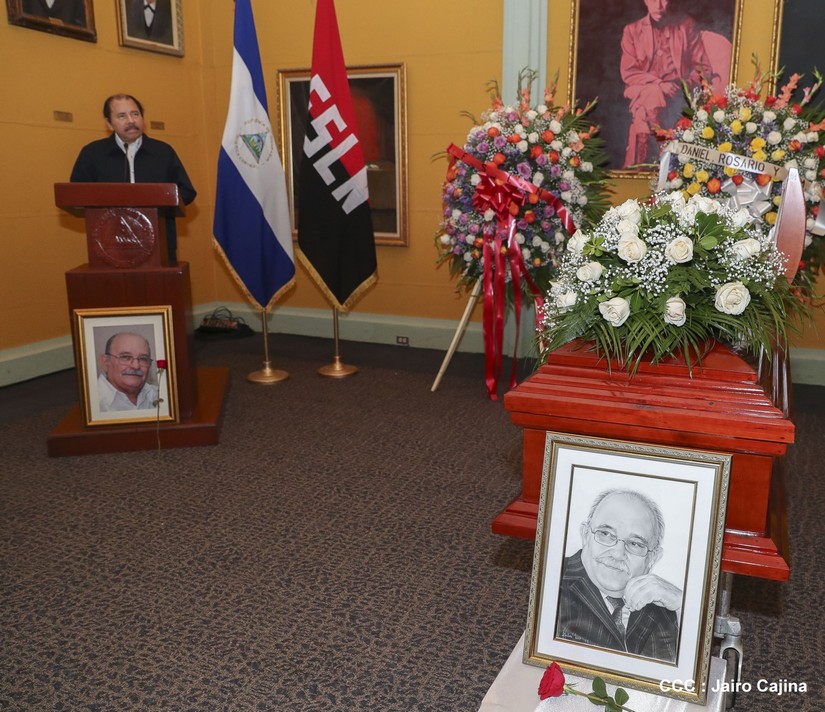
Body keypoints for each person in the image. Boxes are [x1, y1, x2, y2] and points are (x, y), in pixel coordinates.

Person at [556, 488, 682, 662]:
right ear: (585, 535)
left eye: (635, 544)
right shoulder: (553, 581)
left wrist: (683, 605)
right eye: (606, 534)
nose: (617, 553)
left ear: (653, 558)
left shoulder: (663, 604)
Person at [70, 94, 196, 262]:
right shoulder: (93, 154)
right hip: (109, 247)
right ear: (109, 123)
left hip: (159, 246)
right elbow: (75, 196)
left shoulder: (163, 152)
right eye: (122, 116)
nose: (131, 120)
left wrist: (160, 199)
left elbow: (186, 192)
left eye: (135, 114)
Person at [620, 0, 716, 166]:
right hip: (643, 90)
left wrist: (682, 85)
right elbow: (629, 73)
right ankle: (663, 149)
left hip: (676, 94)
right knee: (653, 92)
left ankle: (638, 167)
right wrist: (659, 84)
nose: (658, 5)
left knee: (642, 114)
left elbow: (703, 69)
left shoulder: (686, 25)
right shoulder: (632, 30)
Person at [97, 332, 159, 412]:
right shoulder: (91, 402)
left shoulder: (160, 396)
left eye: (143, 358)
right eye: (125, 357)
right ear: (105, 362)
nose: (136, 366)